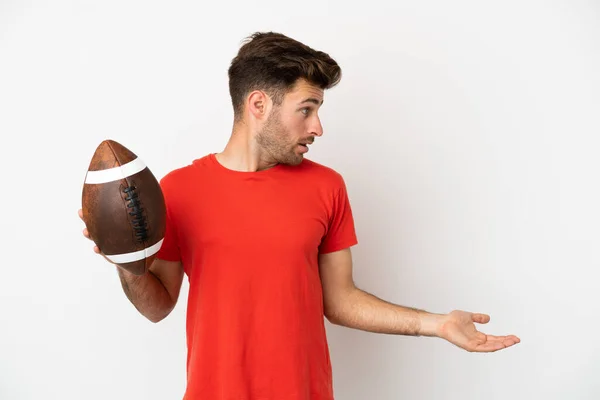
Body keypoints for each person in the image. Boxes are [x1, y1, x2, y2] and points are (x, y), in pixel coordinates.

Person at [79, 31, 520, 400]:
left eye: (318, 111)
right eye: (306, 109)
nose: (317, 127)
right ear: (258, 105)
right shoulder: (177, 190)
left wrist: (436, 324)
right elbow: (159, 307)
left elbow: (340, 299)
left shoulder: (326, 186)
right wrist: (128, 265)